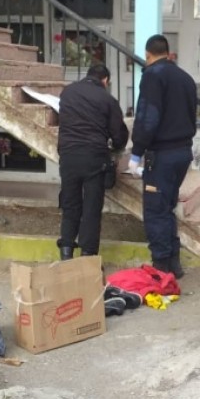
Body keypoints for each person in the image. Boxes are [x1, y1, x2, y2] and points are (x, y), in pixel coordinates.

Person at [127, 34, 197, 279]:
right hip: (183, 153)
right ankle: (174, 264)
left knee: (156, 210)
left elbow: (148, 117)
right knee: (167, 207)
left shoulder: (152, 76)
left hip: (163, 155)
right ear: (168, 53)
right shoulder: (186, 78)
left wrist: (136, 153)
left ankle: (160, 268)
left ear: (148, 56)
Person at [57, 64, 128, 260]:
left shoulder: (68, 92)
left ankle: (66, 252)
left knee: (70, 204)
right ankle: (88, 255)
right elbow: (119, 134)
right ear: (105, 80)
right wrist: (116, 147)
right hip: (93, 158)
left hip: (68, 156)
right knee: (91, 208)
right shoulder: (107, 99)